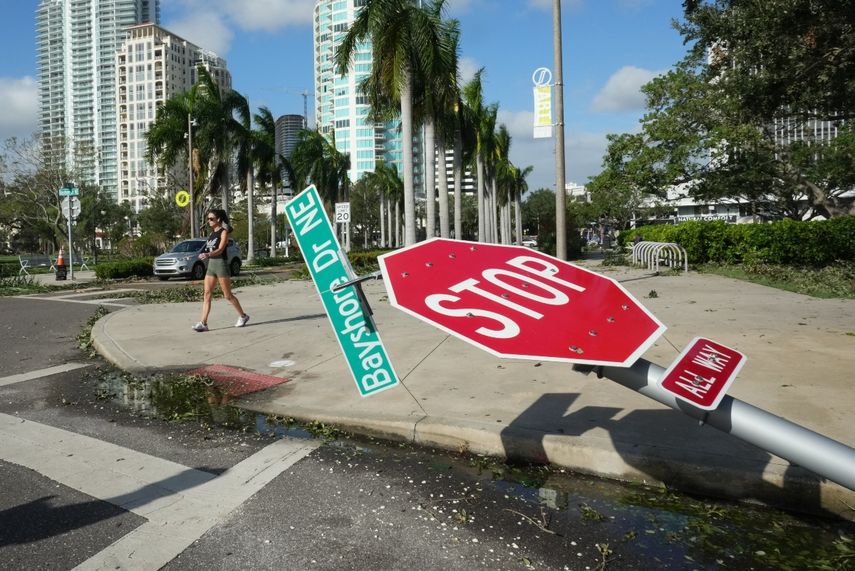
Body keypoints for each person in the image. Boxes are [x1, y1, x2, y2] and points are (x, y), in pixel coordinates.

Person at [192, 209, 249, 332]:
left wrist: (208, 254)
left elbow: (221, 249)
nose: (209, 221)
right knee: (207, 294)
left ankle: (243, 316)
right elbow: (210, 249)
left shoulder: (224, 233)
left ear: (218, 220)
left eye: (211, 219)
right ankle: (203, 323)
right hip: (211, 265)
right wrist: (204, 254)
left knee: (227, 295)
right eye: (208, 219)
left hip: (221, 264)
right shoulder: (212, 233)